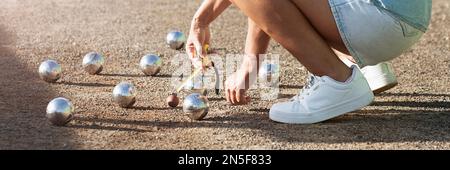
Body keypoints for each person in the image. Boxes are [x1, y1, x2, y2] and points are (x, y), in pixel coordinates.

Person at [186, 0, 432, 124]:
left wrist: (201, 21)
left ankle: (337, 80)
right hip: (398, 18)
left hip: (379, 21)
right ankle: (360, 65)